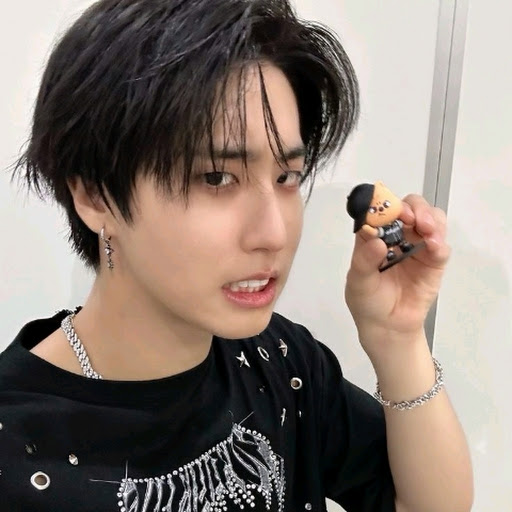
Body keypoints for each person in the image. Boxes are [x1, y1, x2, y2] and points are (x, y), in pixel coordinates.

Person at [1, 0, 473, 511]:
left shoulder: (280, 360)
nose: (274, 233)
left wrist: (397, 340)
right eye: (216, 178)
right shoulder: (17, 448)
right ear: (96, 197)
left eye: (286, 177)